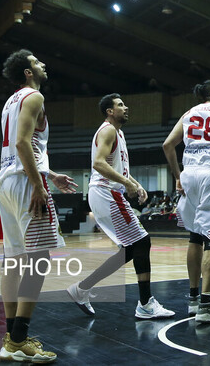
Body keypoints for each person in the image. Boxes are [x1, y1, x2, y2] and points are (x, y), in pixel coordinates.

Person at [0, 49, 77, 363]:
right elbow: (21, 143)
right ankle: (19, 339)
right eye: (36, 61)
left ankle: (9, 339)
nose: (43, 63)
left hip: (7, 181)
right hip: (24, 182)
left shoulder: (10, 101)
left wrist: (50, 174)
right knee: (39, 257)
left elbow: (20, 146)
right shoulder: (34, 97)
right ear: (29, 72)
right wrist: (39, 184)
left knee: (14, 260)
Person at [67, 94, 174, 320]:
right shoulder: (107, 130)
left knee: (130, 249)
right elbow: (98, 163)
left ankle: (81, 289)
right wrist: (126, 183)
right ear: (109, 111)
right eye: (120, 105)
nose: (126, 108)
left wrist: (135, 183)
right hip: (106, 192)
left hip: (109, 192)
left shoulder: (118, 132)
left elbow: (121, 169)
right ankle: (145, 304)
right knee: (142, 242)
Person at [163, 79, 210, 323]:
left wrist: (177, 177)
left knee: (194, 236)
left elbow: (167, 145)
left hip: (189, 174)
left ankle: (193, 301)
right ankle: (206, 307)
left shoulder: (188, 113)